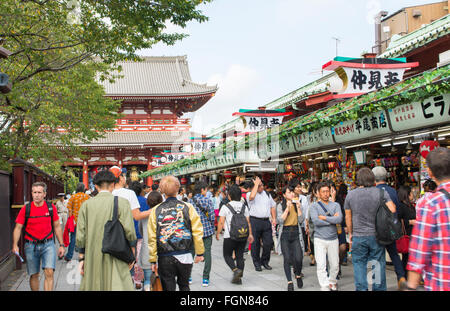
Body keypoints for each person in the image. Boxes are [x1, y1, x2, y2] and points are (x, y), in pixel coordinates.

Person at [76, 170, 137, 291]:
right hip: (117, 253)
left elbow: (80, 236)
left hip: (93, 255)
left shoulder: (86, 205)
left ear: (96, 186)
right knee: (117, 284)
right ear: (113, 185)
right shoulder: (122, 203)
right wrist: (132, 253)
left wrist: (82, 258)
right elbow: (130, 231)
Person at [148, 176, 205, 291]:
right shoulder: (188, 207)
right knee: (184, 285)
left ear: (162, 190)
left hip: (165, 257)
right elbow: (197, 231)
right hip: (185, 255)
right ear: (178, 188)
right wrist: (199, 252)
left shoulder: (155, 210)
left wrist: (153, 259)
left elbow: (152, 237)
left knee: (168, 287)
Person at [406, 147, 450, 291]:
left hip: (442, 282)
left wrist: (411, 285)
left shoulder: (431, 203)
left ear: (430, 172)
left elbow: (420, 249)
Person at [345, 167, 396, 291]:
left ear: (358, 180)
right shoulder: (381, 193)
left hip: (358, 236)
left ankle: (362, 289)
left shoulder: (351, 195)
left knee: (359, 265)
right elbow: (393, 209)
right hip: (376, 235)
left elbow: (348, 216)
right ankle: (378, 288)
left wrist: (351, 233)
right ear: (372, 179)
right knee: (377, 264)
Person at [12, 182, 65, 291]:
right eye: (34, 192)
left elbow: (57, 226)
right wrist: (15, 245)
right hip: (31, 245)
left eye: (39, 192)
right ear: (31, 193)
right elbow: (18, 228)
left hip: (48, 244)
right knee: (34, 275)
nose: (36, 195)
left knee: (49, 272)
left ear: (44, 194)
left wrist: (61, 245)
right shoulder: (26, 209)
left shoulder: (51, 208)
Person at [372, 166, 407, 289]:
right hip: (391, 229)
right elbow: (396, 209)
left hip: (377, 230)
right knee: (394, 254)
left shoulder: (372, 191)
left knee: (377, 257)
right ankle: (401, 277)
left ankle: (379, 284)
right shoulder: (392, 191)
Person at [216, 184, 254, 285]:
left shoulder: (225, 207)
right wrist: (250, 234)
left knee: (227, 255)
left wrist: (218, 233)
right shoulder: (244, 206)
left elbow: (221, 222)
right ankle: (239, 278)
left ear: (229, 196)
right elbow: (248, 222)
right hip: (242, 235)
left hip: (229, 236)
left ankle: (235, 270)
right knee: (239, 256)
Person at [309, 182, 342, 291]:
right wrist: (332, 220)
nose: (326, 194)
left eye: (328, 191)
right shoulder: (313, 206)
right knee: (321, 265)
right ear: (317, 193)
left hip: (333, 239)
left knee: (335, 264)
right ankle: (324, 285)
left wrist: (324, 218)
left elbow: (339, 219)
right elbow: (316, 221)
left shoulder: (336, 205)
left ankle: (332, 281)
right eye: (323, 192)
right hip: (319, 239)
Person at [276, 185, 305, 291]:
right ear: (284, 195)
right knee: (287, 258)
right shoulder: (280, 205)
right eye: (288, 192)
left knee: (299, 257)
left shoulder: (297, 203)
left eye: (292, 192)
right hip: (285, 234)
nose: (291, 194)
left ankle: (297, 274)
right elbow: (280, 221)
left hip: (296, 233)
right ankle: (289, 282)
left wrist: (298, 207)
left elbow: (301, 220)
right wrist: (287, 209)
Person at [247, 176, 277, 271]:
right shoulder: (250, 194)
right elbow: (252, 197)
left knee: (268, 243)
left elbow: (272, 206)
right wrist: (256, 184)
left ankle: (265, 261)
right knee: (255, 244)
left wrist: (274, 218)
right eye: (259, 186)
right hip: (254, 221)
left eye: (262, 185)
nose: (261, 187)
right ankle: (257, 263)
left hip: (265, 221)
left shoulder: (267, 194)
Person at [191, 181, 215, 287]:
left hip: (194, 231)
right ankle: (205, 279)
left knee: (190, 253)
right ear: (202, 190)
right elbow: (212, 216)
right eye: (206, 189)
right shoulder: (207, 200)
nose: (207, 191)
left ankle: (188, 277)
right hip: (207, 231)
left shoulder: (190, 201)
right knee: (208, 253)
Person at [139, 191, 163, 291]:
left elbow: (141, 232)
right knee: (161, 281)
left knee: (148, 279)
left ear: (148, 203)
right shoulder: (163, 216)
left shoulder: (143, 216)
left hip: (146, 251)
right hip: (162, 253)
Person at [130, 181, 151, 290]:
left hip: (128, 233)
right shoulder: (145, 201)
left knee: (129, 257)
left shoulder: (126, 201)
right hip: (141, 233)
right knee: (139, 258)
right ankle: (138, 281)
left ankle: (130, 277)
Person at [65, 183, 90, 262]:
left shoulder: (73, 197)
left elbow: (69, 209)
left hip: (75, 221)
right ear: (83, 189)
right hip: (85, 220)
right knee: (86, 238)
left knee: (73, 238)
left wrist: (70, 218)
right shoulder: (87, 197)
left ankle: (69, 256)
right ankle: (85, 255)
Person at [396, 185, 416, 275]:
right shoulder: (401, 206)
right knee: (407, 257)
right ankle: (405, 276)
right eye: (411, 193)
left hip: (413, 234)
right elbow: (398, 221)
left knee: (410, 257)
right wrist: (410, 222)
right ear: (407, 194)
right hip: (406, 235)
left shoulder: (410, 206)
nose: (413, 194)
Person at [335, 183, 348, 276]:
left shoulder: (339, 201)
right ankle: (333, 269)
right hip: (328, 228)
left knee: (343, 247)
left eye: (332, 190)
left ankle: (338, 264)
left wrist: (346, 225)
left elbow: (343, 213)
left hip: (339, 226)